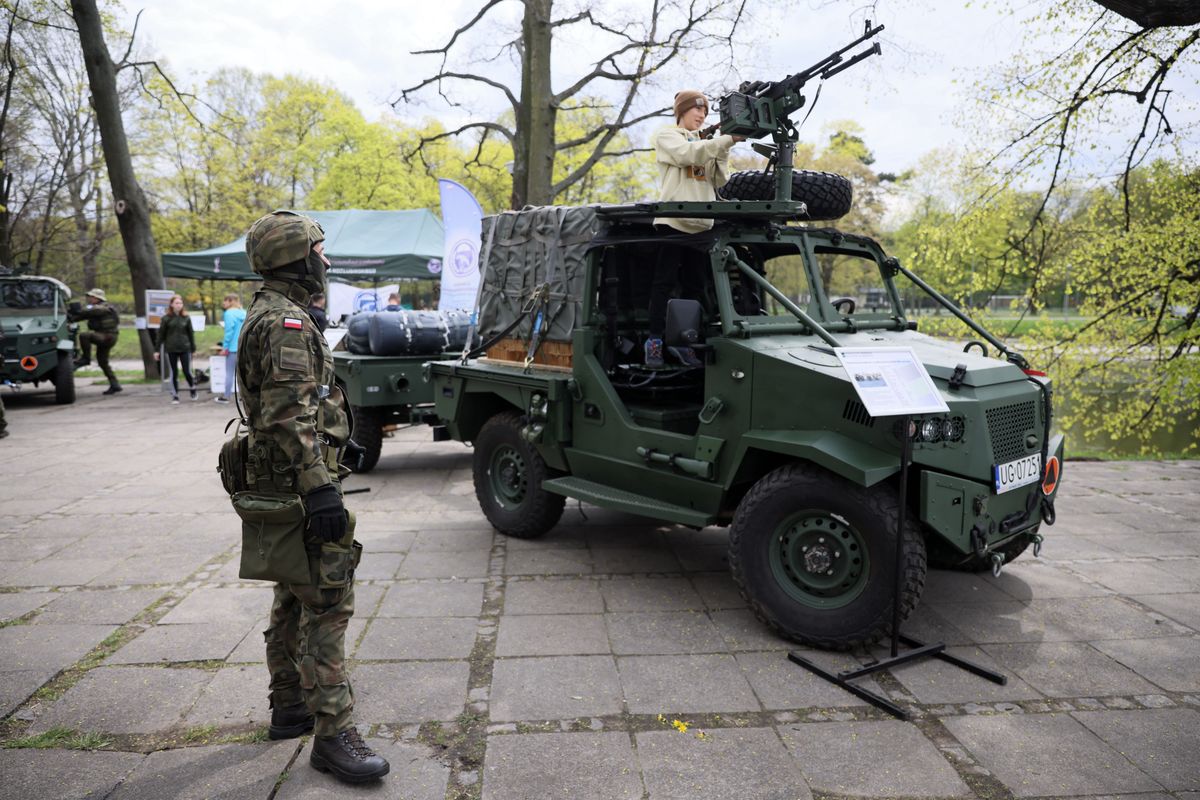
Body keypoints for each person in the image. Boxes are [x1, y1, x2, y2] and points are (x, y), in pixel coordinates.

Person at [238, 210, 388, 784]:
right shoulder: (287, 326)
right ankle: (333, 734)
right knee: (329, 603)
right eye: (319, 252)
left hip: (279, 481)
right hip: (301, 484)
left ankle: (289, 706)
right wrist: (321, 489)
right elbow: (288, 414)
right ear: (297, 259)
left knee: (292, 595)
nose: (325, 261)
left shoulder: (272, 313)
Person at [646, 90, 740, 368]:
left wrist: (723, 147)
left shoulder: (704, 142)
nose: (701, 116)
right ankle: (654, 342)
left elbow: (720, 179)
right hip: (674, 222)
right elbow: (687, 155)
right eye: (696, 110)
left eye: (705, 112)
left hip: (701, 225)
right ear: (682, 111)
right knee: (663, 284)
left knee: (695, 288)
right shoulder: (668, 136)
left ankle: (685, 344)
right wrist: (723, 140)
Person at [69, 288, 122, 395]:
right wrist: (70, 317)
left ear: (97, 298)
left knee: (84, 336)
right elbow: (82, 316)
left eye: (91, 297)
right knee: (102, 362)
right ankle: (115, 384)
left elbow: (90, 312)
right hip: (105, 336)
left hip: (107, 336)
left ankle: (85, 358)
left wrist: (78, 310)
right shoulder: (95, 309)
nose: (89, 299)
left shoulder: (104, 307)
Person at [152, 294, 198, 403]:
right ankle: (175, 395)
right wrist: (157, 350)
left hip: (184, 348)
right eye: (176, 303)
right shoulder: (166, 318)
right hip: (171, 348)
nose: (179, 305)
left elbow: (191, 334)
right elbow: (161, 335)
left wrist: (193, 349)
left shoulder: (186, 318)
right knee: (174, 372)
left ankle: (192, 387)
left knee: (186, 371)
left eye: (180, 303)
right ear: (172, 304)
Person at [215, 293, 245, 404]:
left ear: (231, 301)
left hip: (232, 347)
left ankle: (226, 397)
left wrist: (225, 347)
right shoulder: (244, 312)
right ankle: (244, 396)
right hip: (243, 346)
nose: (223, 303)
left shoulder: (229, 313)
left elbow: (229, 332)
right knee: (243, 374)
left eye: (225, 301)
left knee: (229, 373)